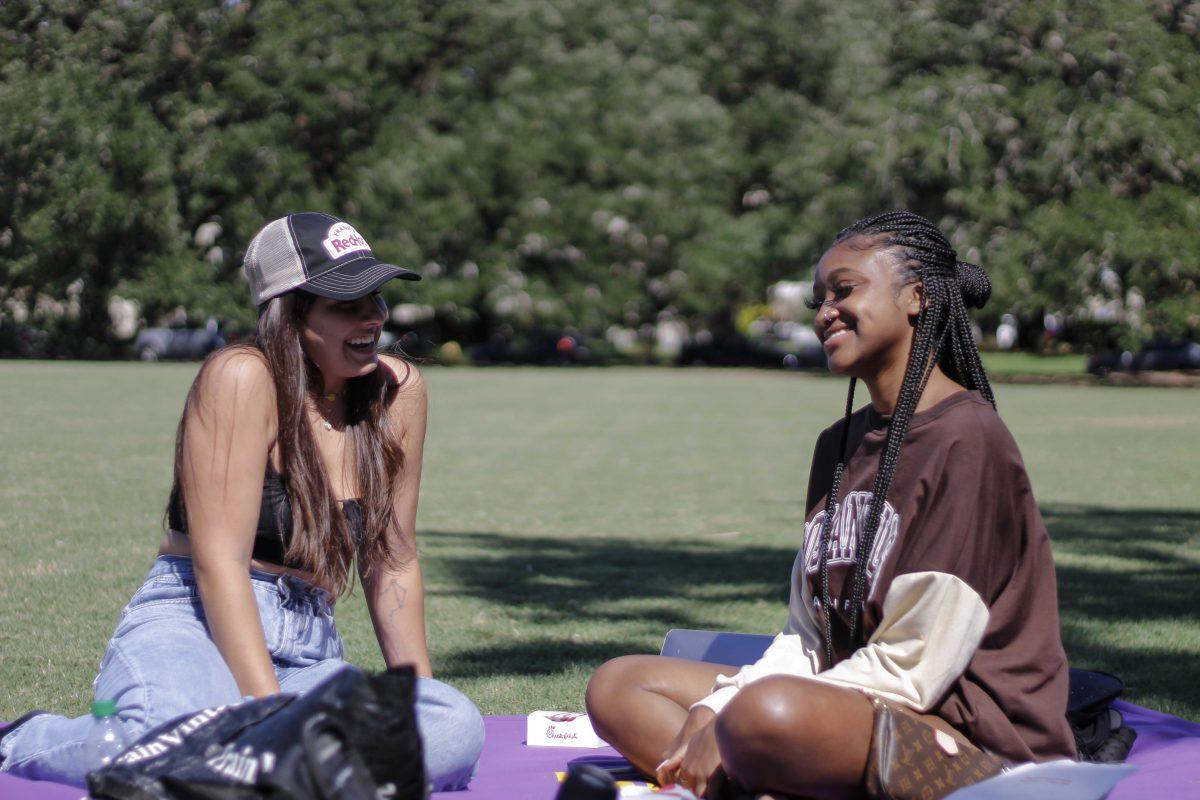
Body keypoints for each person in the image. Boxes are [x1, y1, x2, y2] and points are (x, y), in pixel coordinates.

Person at [585, 211, 1076, 798]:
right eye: (820, 297)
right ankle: (756, 781)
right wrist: (720, 703)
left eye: (845, 290)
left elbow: (914, 667)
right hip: (852, 702)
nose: (824, 313)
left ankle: (750, 773)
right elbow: (809, 632)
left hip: (973, 742)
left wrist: (735, 714)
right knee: (619, 687)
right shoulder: (837, 446)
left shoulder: (967, 441)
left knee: (766, 715)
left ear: (917, 297)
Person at [0, 212, 484, 789]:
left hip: (308, 648)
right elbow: (219, 566)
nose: (373, 317)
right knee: (169, 744)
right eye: (346, 303)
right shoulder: (240, 377)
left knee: (454, 726)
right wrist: (269, 724)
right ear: (289, 311)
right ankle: (21, 740)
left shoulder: (397, 393)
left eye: (375, 297)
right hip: (194, 622)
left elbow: (393, 560)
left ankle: (258, 767)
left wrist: (413, 705)